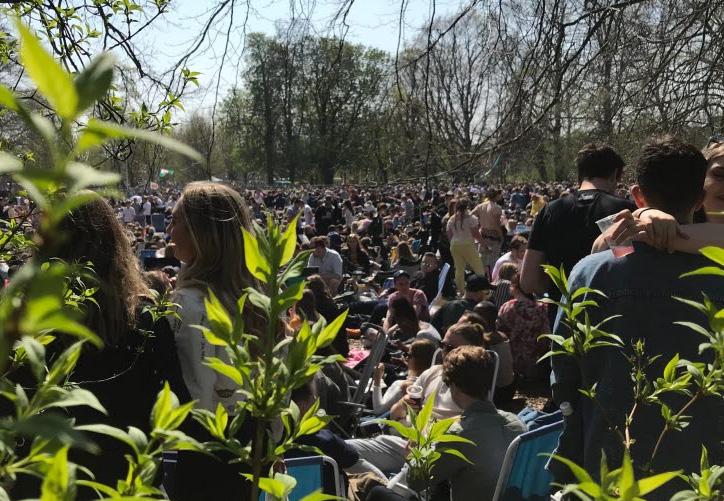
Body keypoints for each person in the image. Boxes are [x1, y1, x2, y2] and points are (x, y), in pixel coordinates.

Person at [550, 136, 724, 498]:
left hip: (611, 471)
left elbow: (565, 373)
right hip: (702, 478)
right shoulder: (717, 272)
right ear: (698, 198)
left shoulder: (592, 271)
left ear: (637, 194)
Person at [10, 195, 189, 499]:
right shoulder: (146, 322)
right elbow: (180, 407)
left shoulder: (25, 324)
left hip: (45, 481)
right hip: (124, 481)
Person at [167, 181, 262, 500]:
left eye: (176, 220)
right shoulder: (255, 299)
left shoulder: (191, 305)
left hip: (206, 457)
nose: (169, 229)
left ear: (200, 234)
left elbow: (197, 400)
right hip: (251, 447)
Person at [366, 346, 525, 501]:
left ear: (453, 387)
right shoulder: (517, 423)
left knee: (378, 494)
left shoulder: (456, 435)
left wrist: (412, 457)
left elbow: (416, 481)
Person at [347, 323, 486, 475]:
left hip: (433, 454)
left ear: (473, 352)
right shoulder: (433, 373)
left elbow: (471, 428)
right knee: (341, 450)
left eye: (450, 348)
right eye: (442, 345)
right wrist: (403, 403)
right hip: (407, 443)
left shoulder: (472, 387)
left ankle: (380, 485)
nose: (444, 352)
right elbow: (394, 415)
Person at [520, 143, 636, 326]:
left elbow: (529, 281)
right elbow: (630, 269)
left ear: (580, 175)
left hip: (565, 322)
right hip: (612, 321)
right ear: (616, 174)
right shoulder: (622, 211)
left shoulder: (549, 211)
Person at [497, 273, 549, 380]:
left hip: (512, 361)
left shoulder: (507, 307)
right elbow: (545, 334)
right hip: (534, 360)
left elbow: (499, 330)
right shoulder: (541, 307)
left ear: (515, 287)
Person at [370, 339, 437, 414]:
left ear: (417, 360)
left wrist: (377, 379)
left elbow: (378, 410)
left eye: (408, 355)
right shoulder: (432, 384)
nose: (406, 358)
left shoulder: (403, 386)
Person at [446, 198, 485, 292]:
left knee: (459, 268)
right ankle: (483, 289)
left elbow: (449, 233)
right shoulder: (471, 218)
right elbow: (476, 234)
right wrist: (484, 244)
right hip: (467, 244)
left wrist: (453, 243)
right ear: (467, 206)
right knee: (478, 267)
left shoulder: (452, 219)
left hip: (455, 244)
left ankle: (461, 290)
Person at [472, 189, 505, 272]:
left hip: (483, 234)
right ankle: (490, 278)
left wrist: (478, 224)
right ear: (496, 196)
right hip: (494, 235)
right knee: (493, 259)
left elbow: (471, 215)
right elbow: (497, 225)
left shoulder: (480, 206)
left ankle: (481, 276)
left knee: (482, 258)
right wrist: (501, 236)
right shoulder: (497, 208)